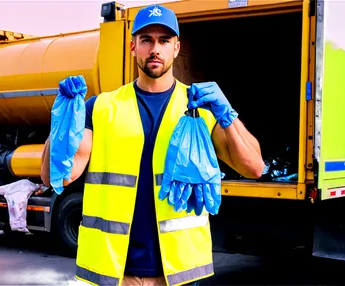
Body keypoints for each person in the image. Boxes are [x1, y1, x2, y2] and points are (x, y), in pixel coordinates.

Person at [41, 4, 265, 286]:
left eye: (164, 40)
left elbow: (254, 167)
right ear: (133, 47)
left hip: (179, 274)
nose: (155, 48)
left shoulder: (202, 109)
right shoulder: (100, 108)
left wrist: (228, 115)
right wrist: (59, 127)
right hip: (113, 273)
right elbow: (56, 176)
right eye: (146, 40)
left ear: (176, 47)